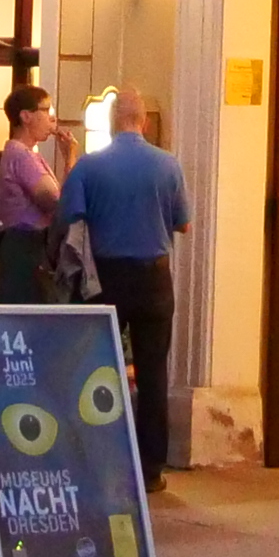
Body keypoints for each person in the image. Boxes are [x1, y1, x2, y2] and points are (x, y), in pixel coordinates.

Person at [57, 97, 190, 489]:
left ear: (114, 122)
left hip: (106, 279)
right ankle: (151, 469)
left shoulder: (90, 166)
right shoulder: (168, 165)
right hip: (154, 279)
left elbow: (68, 215)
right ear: (144, 122)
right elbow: (183, 224)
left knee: (99, 369)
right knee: (153, 373)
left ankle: (99, 459)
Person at [0, 86, 64, 304]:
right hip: (27, 251)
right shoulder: (22, 156)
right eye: (47, 110)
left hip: (24, 248)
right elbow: (57, 203)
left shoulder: (24, 154)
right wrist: (71, 157)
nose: (52, 119)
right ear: (26, 116)